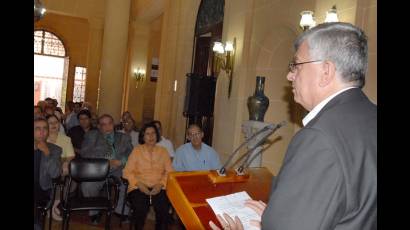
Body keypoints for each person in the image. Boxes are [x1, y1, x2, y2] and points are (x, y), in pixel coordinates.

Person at [210, 22, 377, 230]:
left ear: (326, 71)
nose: (290, 75)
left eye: (296, 65)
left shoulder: (319, 137)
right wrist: (277, 216)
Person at [80, 114, 133, 224]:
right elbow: (85, 153)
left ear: (113, 124)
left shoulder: (124, 137)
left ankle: (120, 210)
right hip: (97, 169)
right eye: (104, 124)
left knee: (126, 182)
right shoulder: (92, 136)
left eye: (110, 123)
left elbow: (131, 154)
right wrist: (105, 161)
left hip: (118, 169)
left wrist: (121, 161)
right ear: (99, 126)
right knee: (87, 185)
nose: (108, 127)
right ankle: (95, 211)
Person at [123, 123, 174, 230]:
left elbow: (170, 172)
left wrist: (161, 184)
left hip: (159, 186)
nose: (151, 136)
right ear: (143, 136)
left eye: (153, 133)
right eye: (147, 134)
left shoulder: (163, 151)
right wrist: (139, 184)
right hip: (138, 186)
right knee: (140, 207)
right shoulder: (137, 150)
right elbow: (126, 171)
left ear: (157, 135)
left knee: (164, 208)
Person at [34, 117, 62, 229]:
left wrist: (47, 153)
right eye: (37, 128)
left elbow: (55, 174)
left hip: (42, 191)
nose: (42, 132)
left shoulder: (55, 149)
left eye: (45, 128)